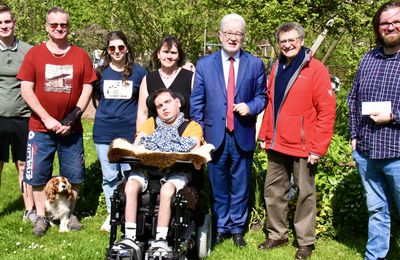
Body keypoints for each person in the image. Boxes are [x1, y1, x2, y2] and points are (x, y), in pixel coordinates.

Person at [257, 22, 336, 259]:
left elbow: (327, 110)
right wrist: (265, 135)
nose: (288, 45)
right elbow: (272, 105)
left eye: (292, 40)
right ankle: (277, 234)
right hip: (277, 143)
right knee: (273, 191)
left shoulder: (316, 68)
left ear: (301, 40)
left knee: (304, 194)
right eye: (283, 41)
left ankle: (305, 242)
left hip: (304, 145)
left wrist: (318, 147)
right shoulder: (276, 67)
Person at [17, 6, 96, 236]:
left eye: (63, 25)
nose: (59, 28)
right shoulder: (34, 54)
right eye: (54, 25)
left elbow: (87, 86)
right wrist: (47, 118)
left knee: (75, 176)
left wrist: (72, 118)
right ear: (47, 27)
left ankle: (69, 215)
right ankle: (41, 217)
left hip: (71, 129)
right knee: (38, 175)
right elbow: (26, 89)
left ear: (68, 27)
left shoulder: (80, 54)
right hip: (40, 128)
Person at [190, 13, 267, 248]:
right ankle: (221, 226)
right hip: (215, 136)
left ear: (243, 37)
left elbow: (262, 96)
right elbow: (197, 103)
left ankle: (237, 229)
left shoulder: (255, 64)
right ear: (220, 35)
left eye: (238, 34)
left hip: (242, 133)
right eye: (229, 33)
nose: (233, 38)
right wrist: (199, 134)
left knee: (241, 184)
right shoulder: (205, 64)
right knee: (218, 183)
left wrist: (250, 107)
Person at [347, 2, 400, 259]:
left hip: (398, 153)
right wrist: (354, 136)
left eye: (395, 21)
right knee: (377, 211)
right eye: (384, 23)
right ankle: (375, 256)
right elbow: (353, 99)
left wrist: (394, 116)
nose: (390, 26)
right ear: (378, 28)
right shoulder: (369, 58)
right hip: (367, 152)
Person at [123, 88, 202, 254]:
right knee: (130, 186)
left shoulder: (191, 126)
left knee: (167, 190)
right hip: (146, 169)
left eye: (167, 102)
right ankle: (130, 237)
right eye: (159, 106)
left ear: (178, 103)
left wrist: (154, 144)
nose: (164, 108)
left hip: (177, 171)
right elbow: (138, 146)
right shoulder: (150, 123)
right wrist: (174, 146)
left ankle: (161, 239)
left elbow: (192, 147)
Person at [92, 31, 147, 232]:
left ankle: (129, 213)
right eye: (112, 48)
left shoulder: (140, 73)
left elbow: (144, 103)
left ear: (127, 48)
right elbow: (96, 99)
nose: (117, 51)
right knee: (109, 177)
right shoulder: (99, 73)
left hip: (129, 133)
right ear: (107, 50)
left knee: (130, 174)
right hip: (104, 132)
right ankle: (111, 213)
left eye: (120, 47)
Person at [0, 4, 36, 224]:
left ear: (14, 23)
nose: (4, 26)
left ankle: (29, 209)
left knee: (23, 165)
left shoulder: (29, 51)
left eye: (7, 21)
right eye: (0, 23)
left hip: (23, 117)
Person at [136, 35, 193, 129]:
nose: (169, 56)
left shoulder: (190, 77)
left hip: (184, 137)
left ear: (179, 56)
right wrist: (139, 136)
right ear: (158, 54)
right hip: (153, 138)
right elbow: (142, 113)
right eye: (165, 52)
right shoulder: (148, 79)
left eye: (173, 53)